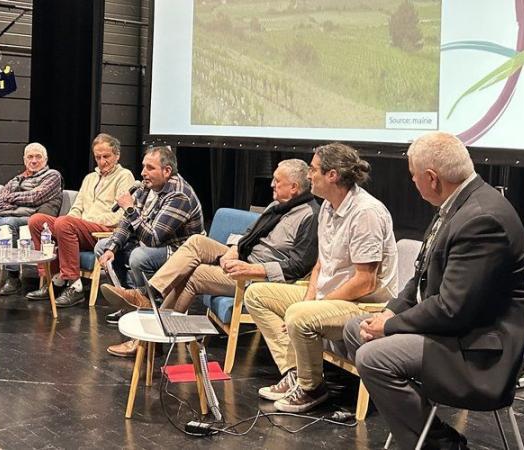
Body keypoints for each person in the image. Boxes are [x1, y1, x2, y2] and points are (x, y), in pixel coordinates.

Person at [343, 132, 524, 450]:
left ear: (432, 178)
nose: (413, 184)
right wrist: (391, 311)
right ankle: (424, 427)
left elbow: (451, 309)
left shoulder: (482, 219)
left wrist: (389, 326)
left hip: (477, 347)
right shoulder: (456, 205)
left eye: (414, 177)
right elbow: (419, 278)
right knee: (354, 329)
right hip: (453, 330)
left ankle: (437, 443)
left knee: (373, 356)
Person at [103, 159, 320, 357]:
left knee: (193, 274)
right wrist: (235, 249)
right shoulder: (275, 206)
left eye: (277, 180)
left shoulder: (310, 216)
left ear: (294, 187)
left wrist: (251, 270)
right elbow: (246, 234)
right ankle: (147, 294)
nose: (271, 184)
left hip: (259, 276)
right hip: (244, 258)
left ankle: (152, 339)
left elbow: (298, 266)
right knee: (197, 241)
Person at [245, 143, 398, 413]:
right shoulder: (327, 207)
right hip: (330, 296)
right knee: (256, 294)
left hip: (361, 304)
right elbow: (320, 263)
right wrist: (309, 298)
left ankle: (312, 388)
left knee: (299, 315)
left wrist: (313, 305)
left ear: (333, 175)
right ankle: (294, 371)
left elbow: (366, 281)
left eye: (313, 170)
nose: (308, 176)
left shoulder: (366, 213)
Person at [96, 145, 204, 326]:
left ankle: (149, 306)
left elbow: (153, 238)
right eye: (144, 166)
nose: (143, 172)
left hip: (181, 252)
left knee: (140, 257)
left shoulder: (179, 195)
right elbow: (126, 223)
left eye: (150, 168)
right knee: (103, 246)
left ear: (167, 171)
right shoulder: (147, 186)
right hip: (155, 244)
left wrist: (130, 209)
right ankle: (129, 300)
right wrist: (112, 247)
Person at [24, 133, 135, 308]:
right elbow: (77, 207)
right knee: (37, 221)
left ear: (117, 156)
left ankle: (75, 286)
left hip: (104, 231)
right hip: (81, 227)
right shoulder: (90, 178)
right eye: (98, 157)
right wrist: (74, 219)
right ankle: (53, 279)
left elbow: (120, 216)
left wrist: (82, 220)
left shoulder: (124, 176)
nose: (102, 161)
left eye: (106, 156)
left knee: (64, 223)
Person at [0, 142, 63, 295]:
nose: (34, 161)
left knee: (7, 223)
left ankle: (13, 277)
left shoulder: (52, 176)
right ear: (24, 160)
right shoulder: (16, 179)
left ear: (46, 159)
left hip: (32, 222)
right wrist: (14, 203)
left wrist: (11, 199)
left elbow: (35, 197)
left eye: (38, 157)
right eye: (30, 157)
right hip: (6, 218)